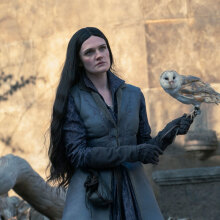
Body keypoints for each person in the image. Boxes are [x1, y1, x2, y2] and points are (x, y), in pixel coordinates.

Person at [47, 27, 193, 220]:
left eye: (102, 48)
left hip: (134, 189)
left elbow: (144, 148)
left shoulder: (134, 94)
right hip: (93, 191)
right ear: (80, 62)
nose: (99, 55)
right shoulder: (73, 98)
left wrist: (167, 134)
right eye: (89, 52)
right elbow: (78, 155)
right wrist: (134, 152)